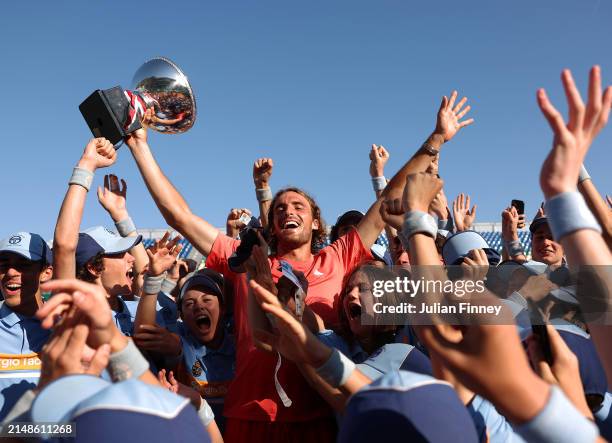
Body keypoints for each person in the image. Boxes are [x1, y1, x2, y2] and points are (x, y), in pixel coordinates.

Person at [126, 95, 473, 441]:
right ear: (272, 223)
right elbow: (180, 217)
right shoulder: (247, 259)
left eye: (298, 206)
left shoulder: (339, 257)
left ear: (316, 222)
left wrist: (437, 139)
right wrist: (141, 146)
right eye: (279, 208)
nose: (287, 211)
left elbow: (386, 203)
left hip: (319, 414)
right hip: (251, 414)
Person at [0, 232, 52, 420]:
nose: (11, 273)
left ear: (46, 272)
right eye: (4, 265)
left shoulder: (63, 326)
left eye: (23, 265)